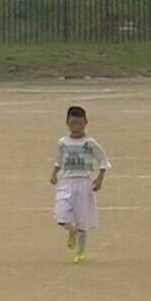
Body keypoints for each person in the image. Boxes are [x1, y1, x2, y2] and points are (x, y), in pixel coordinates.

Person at [50, 106, 110, 264]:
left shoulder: (89, 143)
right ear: (67, 123)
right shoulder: (63, 142)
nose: (76, 127)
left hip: (83, 184)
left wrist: (100, 178)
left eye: (79, 123)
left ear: (86, 123)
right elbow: (59, 160)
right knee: (61, 217)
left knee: (82, 219)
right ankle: (72, 231)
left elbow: (103, 161)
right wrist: (54, 173)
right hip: (66, 183)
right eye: (72, 123)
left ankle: (81, 251)